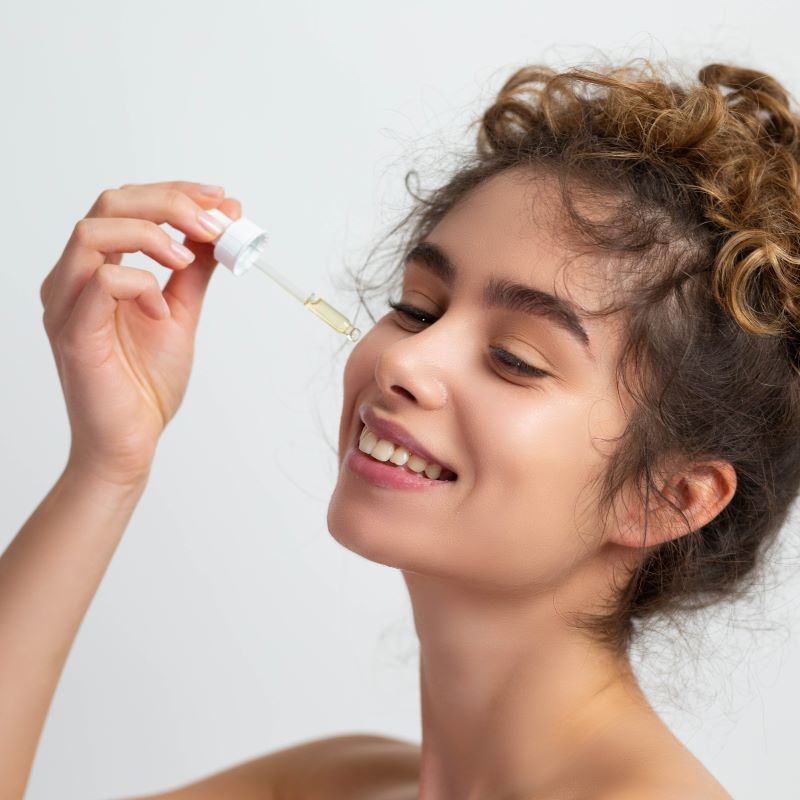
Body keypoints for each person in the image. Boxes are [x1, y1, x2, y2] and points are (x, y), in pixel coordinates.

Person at [3, 57, 799, 800]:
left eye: (516, 358)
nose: (404, 361)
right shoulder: (332, 781)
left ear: (669, 497)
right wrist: (108, 464)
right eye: (418, 307)